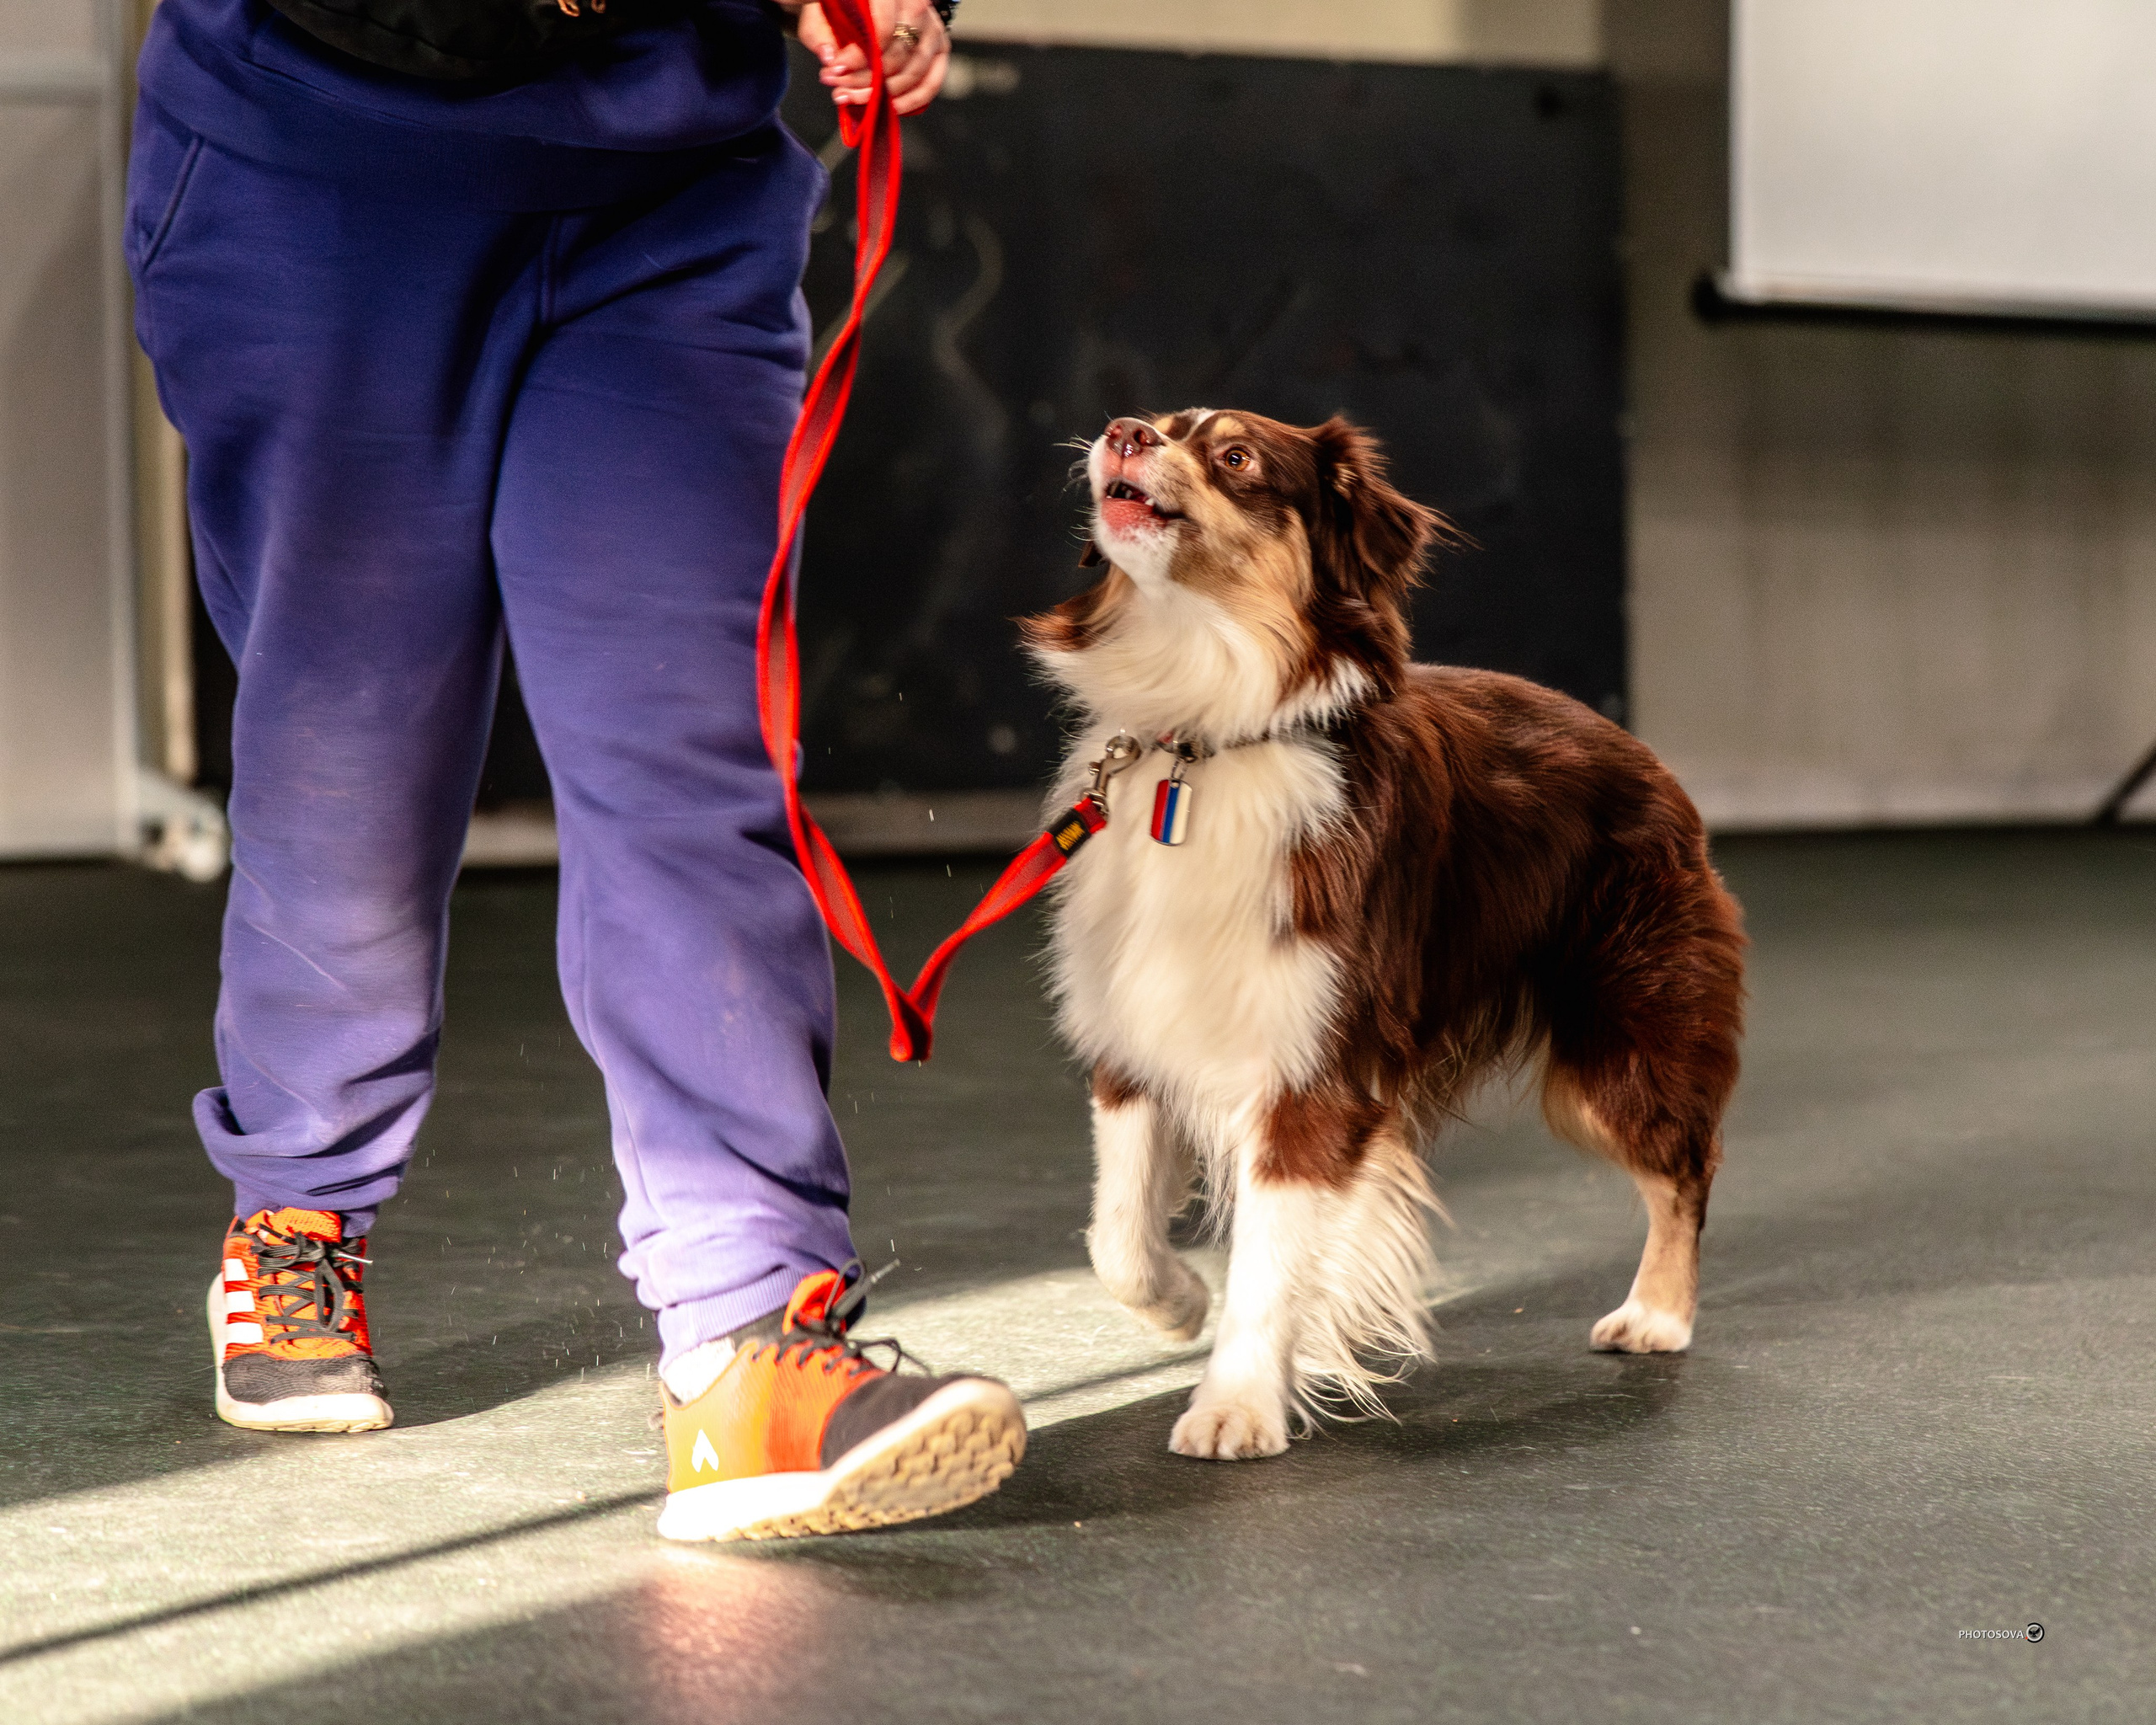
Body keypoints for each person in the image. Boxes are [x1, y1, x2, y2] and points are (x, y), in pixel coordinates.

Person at [129, 0, 1027, 1541]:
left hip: (668, 194)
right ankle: (298, 1204)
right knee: (353, 742)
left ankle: (751, 1331)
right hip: (325, 166)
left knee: (693, 747)